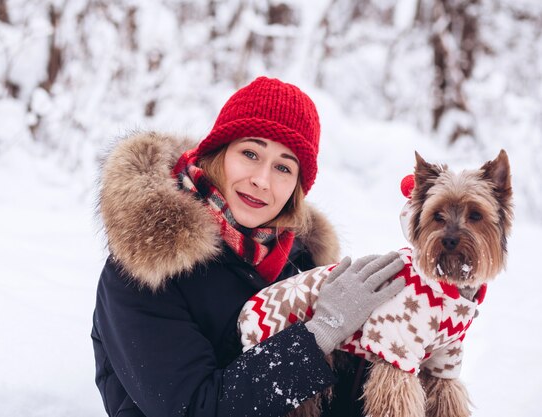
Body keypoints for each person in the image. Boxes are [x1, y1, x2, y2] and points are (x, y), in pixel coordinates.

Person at [91, 76, 405, 417]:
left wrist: (391, 351)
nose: (262, 179)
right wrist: (317, 336)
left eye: (283, 167)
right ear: (218, 154)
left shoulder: (296, 264)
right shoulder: (149, 265)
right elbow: (195, 408)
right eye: (250, 153)